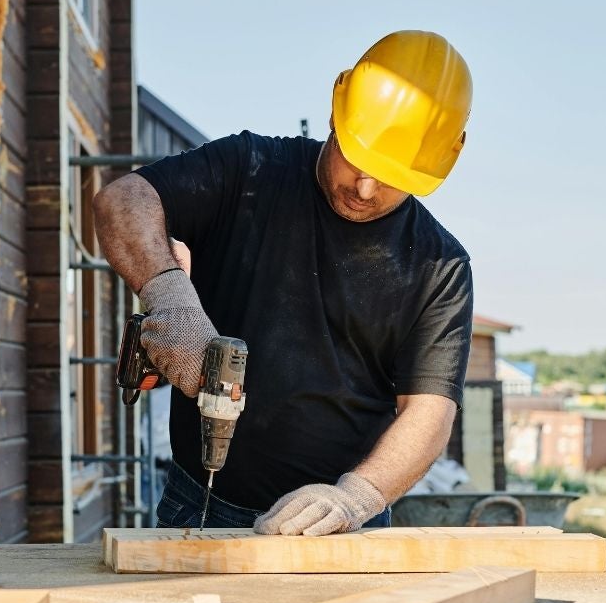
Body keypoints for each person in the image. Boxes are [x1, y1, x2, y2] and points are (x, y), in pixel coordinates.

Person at [94, 30, 474, 536]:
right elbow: (123, 200)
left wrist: (356, 497)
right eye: (357, 159)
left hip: (341, 522)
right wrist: (169, 296)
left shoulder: (439, 265)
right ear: (336, 115)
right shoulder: (249, 171)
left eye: (391, 176)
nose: (365, 188)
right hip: (200, 503)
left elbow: (429, 413)